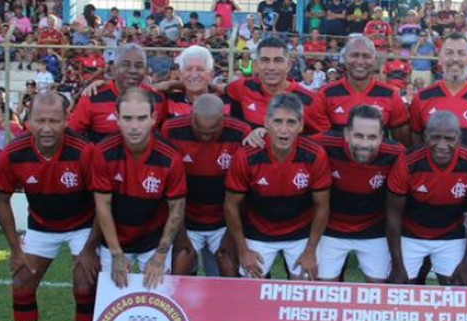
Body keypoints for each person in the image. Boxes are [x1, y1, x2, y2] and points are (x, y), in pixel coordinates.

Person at [0, 93, 100, 321]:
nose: (47, 127)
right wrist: (15, 250)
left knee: (84, 283)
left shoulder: (84, 151)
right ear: (27, 122)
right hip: (41, 227)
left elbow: (103, 203)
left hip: (83, 226)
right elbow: (1, 199)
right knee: (22, 283)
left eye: (54, 120)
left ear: (67, 121)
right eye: (40, 120)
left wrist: (90, 249)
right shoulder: (13, 153)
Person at [224, 93, 331, 279]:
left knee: (305, 290)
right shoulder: (247, 156)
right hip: (259, 233)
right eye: (277, 121)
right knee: (252, 290)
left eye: (291, 122)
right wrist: (243, 250)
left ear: (301, 125)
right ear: (266, 123)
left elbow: (322, 205)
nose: (284, 129)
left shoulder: (314, 154)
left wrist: (311, 250)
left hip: (300, 234)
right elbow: (231, 205)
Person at [90, 87, 187, 291]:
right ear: (117, 118)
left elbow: (176, 208)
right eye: (127, 118)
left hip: (153, 241)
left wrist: (160, 254)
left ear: (153, 118)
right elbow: (103, 206)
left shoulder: (170, 157)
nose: (134, 126)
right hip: (116, 240)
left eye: (141, 118)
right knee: (113, 299)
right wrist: (117, 254)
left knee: (158, 302)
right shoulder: (102, 153)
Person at [386, 110, 467, 285]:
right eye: (435, 137)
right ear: (425, 136)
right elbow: (393, 214)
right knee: (399, 290)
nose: (442, 145)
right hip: (411, 234)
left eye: (449, 139)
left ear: (459, 138)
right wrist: (397, 263)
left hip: (450, 234)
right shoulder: (407, 162)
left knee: (459, 290)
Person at [162, 93, 250, 276]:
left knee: (227, 277)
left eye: (212, 131)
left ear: (223, 120)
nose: (205, 137)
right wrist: (180, 233)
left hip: (223, 222)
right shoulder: (172, 130)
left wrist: (230, 235)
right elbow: (168, 186)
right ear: (191, 117)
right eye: (199, 129)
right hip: (186, 220)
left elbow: (244, 189)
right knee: (179, 275)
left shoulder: (241, 132)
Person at [314, 105, 404, 282]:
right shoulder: (324, 144)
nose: (364, 144)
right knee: (323, 291)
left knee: (378, 293)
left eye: (372, 137)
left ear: (381, 137)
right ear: (347, 134)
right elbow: (292, 142)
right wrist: (262, 133)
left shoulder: (396, 153)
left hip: (373, 230)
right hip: (331, 230)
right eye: (358, 136)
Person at [410, 33, 467, 157]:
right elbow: (415, 143)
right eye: (449, 53)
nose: (455, 59)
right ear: (440, 58)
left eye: (461, 53)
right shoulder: (421, 98)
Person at [225, 37, 330, 134]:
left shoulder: (309, 101)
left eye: (278, 60)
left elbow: (325, 137)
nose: (271, 67)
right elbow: (222, 89)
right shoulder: (242, 87)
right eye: (265, 60)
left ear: (288, 65)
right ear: (256, 66)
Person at [68, 43, 168, 142]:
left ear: (145, 70)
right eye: (125, 64)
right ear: (114, 68)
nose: (132, 70)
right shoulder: (92, 97)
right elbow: (71, 136)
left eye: (139, 66)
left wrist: (172, 84)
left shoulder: (158, 99)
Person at [318, 34, 409, 141]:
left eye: (366, 56)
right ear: (344, 58)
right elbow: (318, 142)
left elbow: (403, 145)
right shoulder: (326, 94)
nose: (360, 62)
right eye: (355, 55)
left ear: (375, 60)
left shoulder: (391, 95)